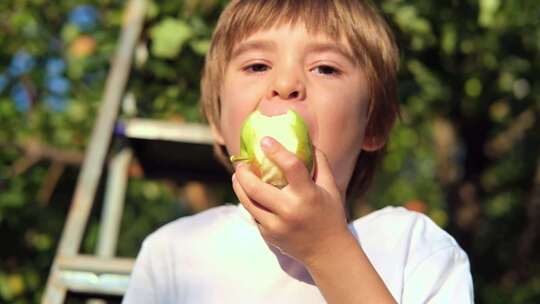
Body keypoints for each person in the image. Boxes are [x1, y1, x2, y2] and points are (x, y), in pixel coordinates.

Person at [122, 0, 474, 303]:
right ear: (217, 120)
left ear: (373, 125)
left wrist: (326, 248)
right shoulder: (172, 252)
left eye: (325, 68)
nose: (286, 84)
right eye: (257, 66)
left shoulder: (413, 247)